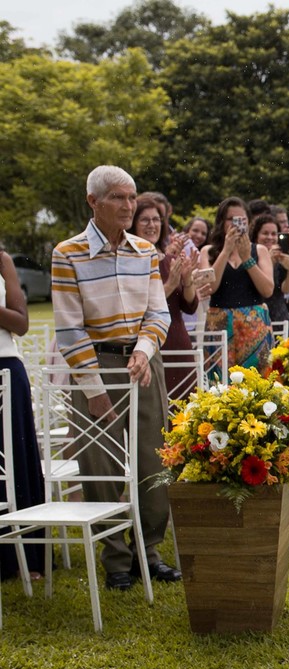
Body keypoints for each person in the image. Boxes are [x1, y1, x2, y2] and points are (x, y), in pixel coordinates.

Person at [51, 165, 181, 589]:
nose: (129, 206)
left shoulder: (146, 251)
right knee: (100, 466)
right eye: (119, 198)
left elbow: (158, 312)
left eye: (132, 197)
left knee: (154, 460)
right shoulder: (67, 254)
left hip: (143, 365)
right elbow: (69, 329)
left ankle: (150, 551)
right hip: (96, 366)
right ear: (93, 202)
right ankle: (116, 561)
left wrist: (144, 352)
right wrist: (94, 390)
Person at [0, 247, 46, 582]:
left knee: (13, 462)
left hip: (5, 369)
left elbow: (21, 322)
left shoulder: (2, 261)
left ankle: (24, 558)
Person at [130, 195, 200, 397]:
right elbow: (140, 307)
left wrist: (187, 279)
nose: (152, 225)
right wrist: (169, 285)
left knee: (183, 413)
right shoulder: (130, 262)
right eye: (144, 220)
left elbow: (190, 306)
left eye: (156, 219)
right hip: (149, 345)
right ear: (133, 224)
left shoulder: (170, 260)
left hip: (178, 342)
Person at [199, 197, 275, 371]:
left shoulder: (260, 250)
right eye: (231, 219)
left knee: (257, 379)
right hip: (219, 322)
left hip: (254, 322)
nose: (236, 224)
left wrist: (247, 258)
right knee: (219, 381)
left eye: (241, 220)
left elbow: (267, 289)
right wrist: (226, 250)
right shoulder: (208, 251)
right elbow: (210, 287)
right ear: (222, 222)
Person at [251, 214, 289, 324]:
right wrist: (268, 262)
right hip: (257, 315)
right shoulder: (250, 257)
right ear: (256, 235)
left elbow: (286, 289)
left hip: (279, 315)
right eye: (265, 233)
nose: (270, 237)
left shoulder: (281, 256)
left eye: (274, 234)